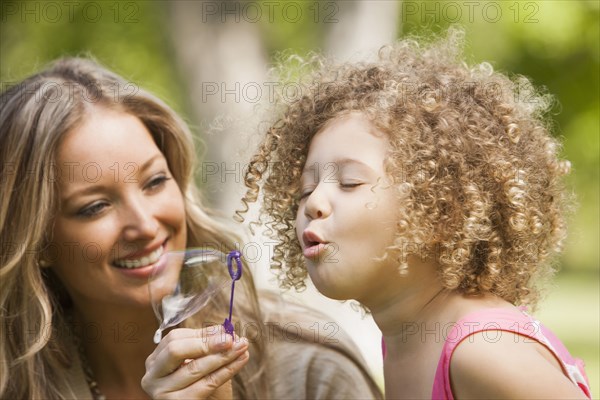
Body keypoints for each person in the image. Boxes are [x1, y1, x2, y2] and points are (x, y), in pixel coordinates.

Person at [239, 28, 592, 399]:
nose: (313, 204)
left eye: (350, 182)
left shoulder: (484, 354)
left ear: (441, 211)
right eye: (306, 189)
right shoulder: (407, 338)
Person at [0, 58, 382, 399]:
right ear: (38, 242)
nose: (145, 225)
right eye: (95, 207)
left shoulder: (309, 365)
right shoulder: (14, 380)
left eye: (154, 182)